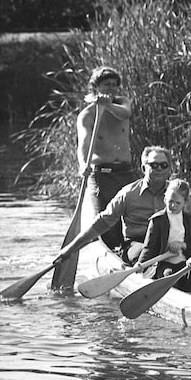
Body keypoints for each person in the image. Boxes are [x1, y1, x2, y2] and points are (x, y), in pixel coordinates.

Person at [55, 145, 173, 265]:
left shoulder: (177, 193)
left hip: (169, 244)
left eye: (163, 165)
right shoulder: (128, 194)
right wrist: (70, 249)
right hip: (136, 245)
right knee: (145, 253)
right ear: (143, 168)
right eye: (153, 165)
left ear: (169, 169)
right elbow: (102, 223)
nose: (159, 169)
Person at [78, 66, 134, 249]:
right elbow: (84, 146)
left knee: (133, 215)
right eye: (106, 85)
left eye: (113, 85)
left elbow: (126, 113)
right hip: (102, 175)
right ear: (96, 87)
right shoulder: (87, 115)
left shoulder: (123, 102)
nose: (110, 88)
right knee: (107, 220)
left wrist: (107, 105)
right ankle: (111, 252)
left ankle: (131, 252)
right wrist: (82, 166)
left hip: (126, 172)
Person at [137, 179, 191, 291]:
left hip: (185, 263)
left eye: (178, 203)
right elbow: (149, 247)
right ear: (165, 198)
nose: (173, 205)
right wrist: (140, 265)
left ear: (185, 202)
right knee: (169, 276)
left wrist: (183, 245)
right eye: (170, 201)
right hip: (165, 263)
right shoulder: (158, 220)